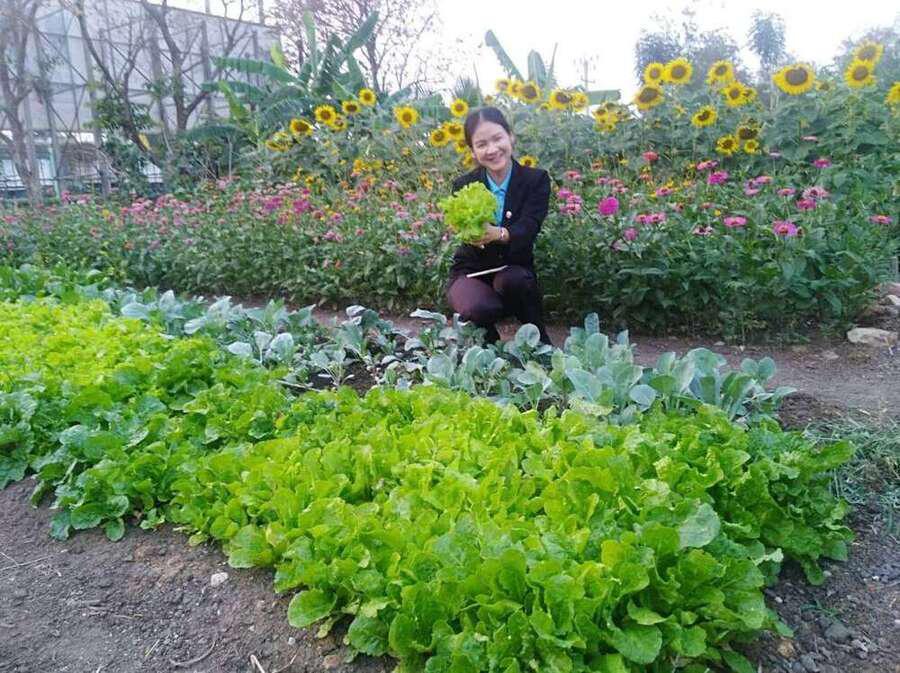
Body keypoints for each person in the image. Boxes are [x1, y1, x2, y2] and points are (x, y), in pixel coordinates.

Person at [445, 106, 553, 345]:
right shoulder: (463, 185)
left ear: (510, 136)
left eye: (497, 139)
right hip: (472, 269)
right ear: (473, 151)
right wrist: (468, 232)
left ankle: (537, 338)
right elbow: (462, 228)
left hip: (513, 268)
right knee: (478, 306)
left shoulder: (535, 180)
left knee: (515, 282)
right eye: (482, 144)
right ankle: (488, 344)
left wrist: (499, 233)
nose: (492, 149)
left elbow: (529, 227)